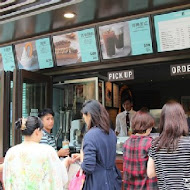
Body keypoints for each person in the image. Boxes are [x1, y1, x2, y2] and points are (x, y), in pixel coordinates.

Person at [3, 116, 71, 189]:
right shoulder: (47, 151)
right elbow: (59, 177)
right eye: (42, 131)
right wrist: (64, 163)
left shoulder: (11, 152)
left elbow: (6, 180)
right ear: (37, 132)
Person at [73, 100, 122, 190]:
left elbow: (88, 167)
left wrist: (83, 158)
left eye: (84, 117)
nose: (85, 120)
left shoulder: (90, 135)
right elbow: (102, 155)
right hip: (112, 180)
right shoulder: (111, 133)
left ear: (89, 115)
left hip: (96, 182)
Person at [147, 102, 190, 189]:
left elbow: (150, 173)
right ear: (182, 119)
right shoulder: (188, 143)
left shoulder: (155, 144)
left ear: (163, 120)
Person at [123, 110, 158, 190]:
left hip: (129, 187)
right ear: (147, 127)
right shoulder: (151, 143)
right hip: (147, 186)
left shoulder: (126, 143)